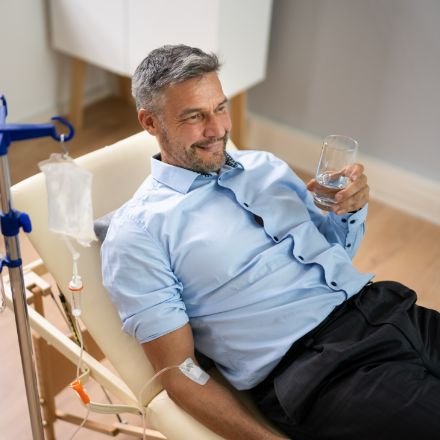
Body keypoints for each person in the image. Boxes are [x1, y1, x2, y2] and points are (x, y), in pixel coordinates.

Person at [101, 45, 440, 440]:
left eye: (220, 108)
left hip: (389, 309)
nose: (218, 128)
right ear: (150, 122)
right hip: (325, 373)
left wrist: (348, 211)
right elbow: (180, 374)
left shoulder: (263, 166)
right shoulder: (137, 235)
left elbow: (333, 256)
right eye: (195, 116)